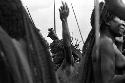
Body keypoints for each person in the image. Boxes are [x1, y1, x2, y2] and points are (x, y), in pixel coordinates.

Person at [91, 2, 125, 83]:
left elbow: (116, 67)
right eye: (120, 18)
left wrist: (120, 44)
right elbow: (108, 80)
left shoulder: (107, 42)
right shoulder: (106, 42)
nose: (124, 23)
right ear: (107, 21)